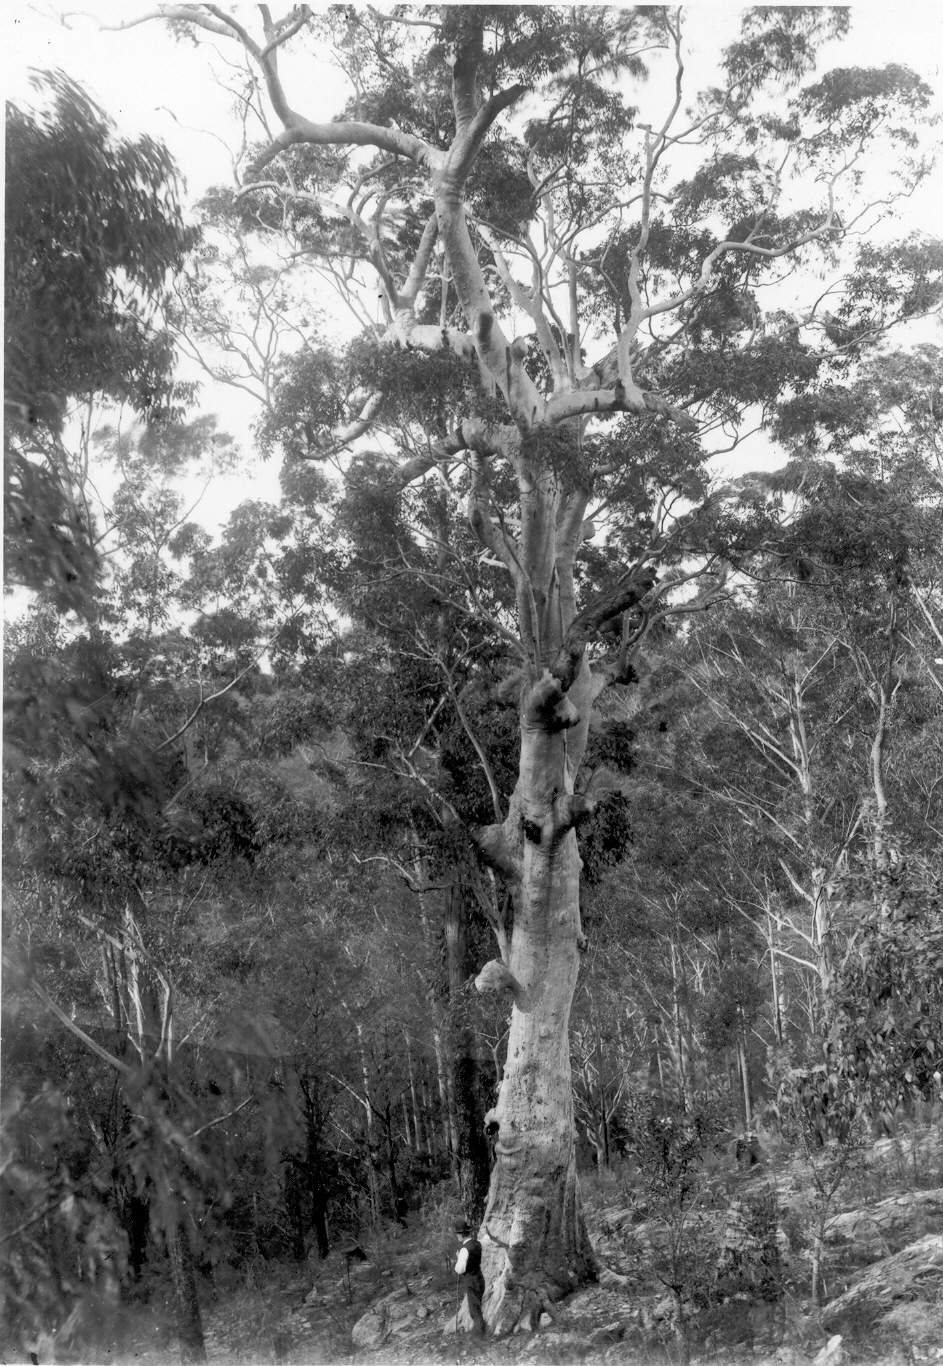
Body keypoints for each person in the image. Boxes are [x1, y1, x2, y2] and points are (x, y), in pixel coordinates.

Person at [453, 1218, 486, 1337]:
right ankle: (481, 1331)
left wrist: (458, 1260)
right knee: (478, 1305)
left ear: (461, 1235)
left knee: (474, 1310)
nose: (457, 1237)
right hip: (479, 1278)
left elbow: (460, 1269)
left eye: (457, 1234)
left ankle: (480, 1336)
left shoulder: (464, 1249)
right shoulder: (477, 1243)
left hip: (471, 1280)